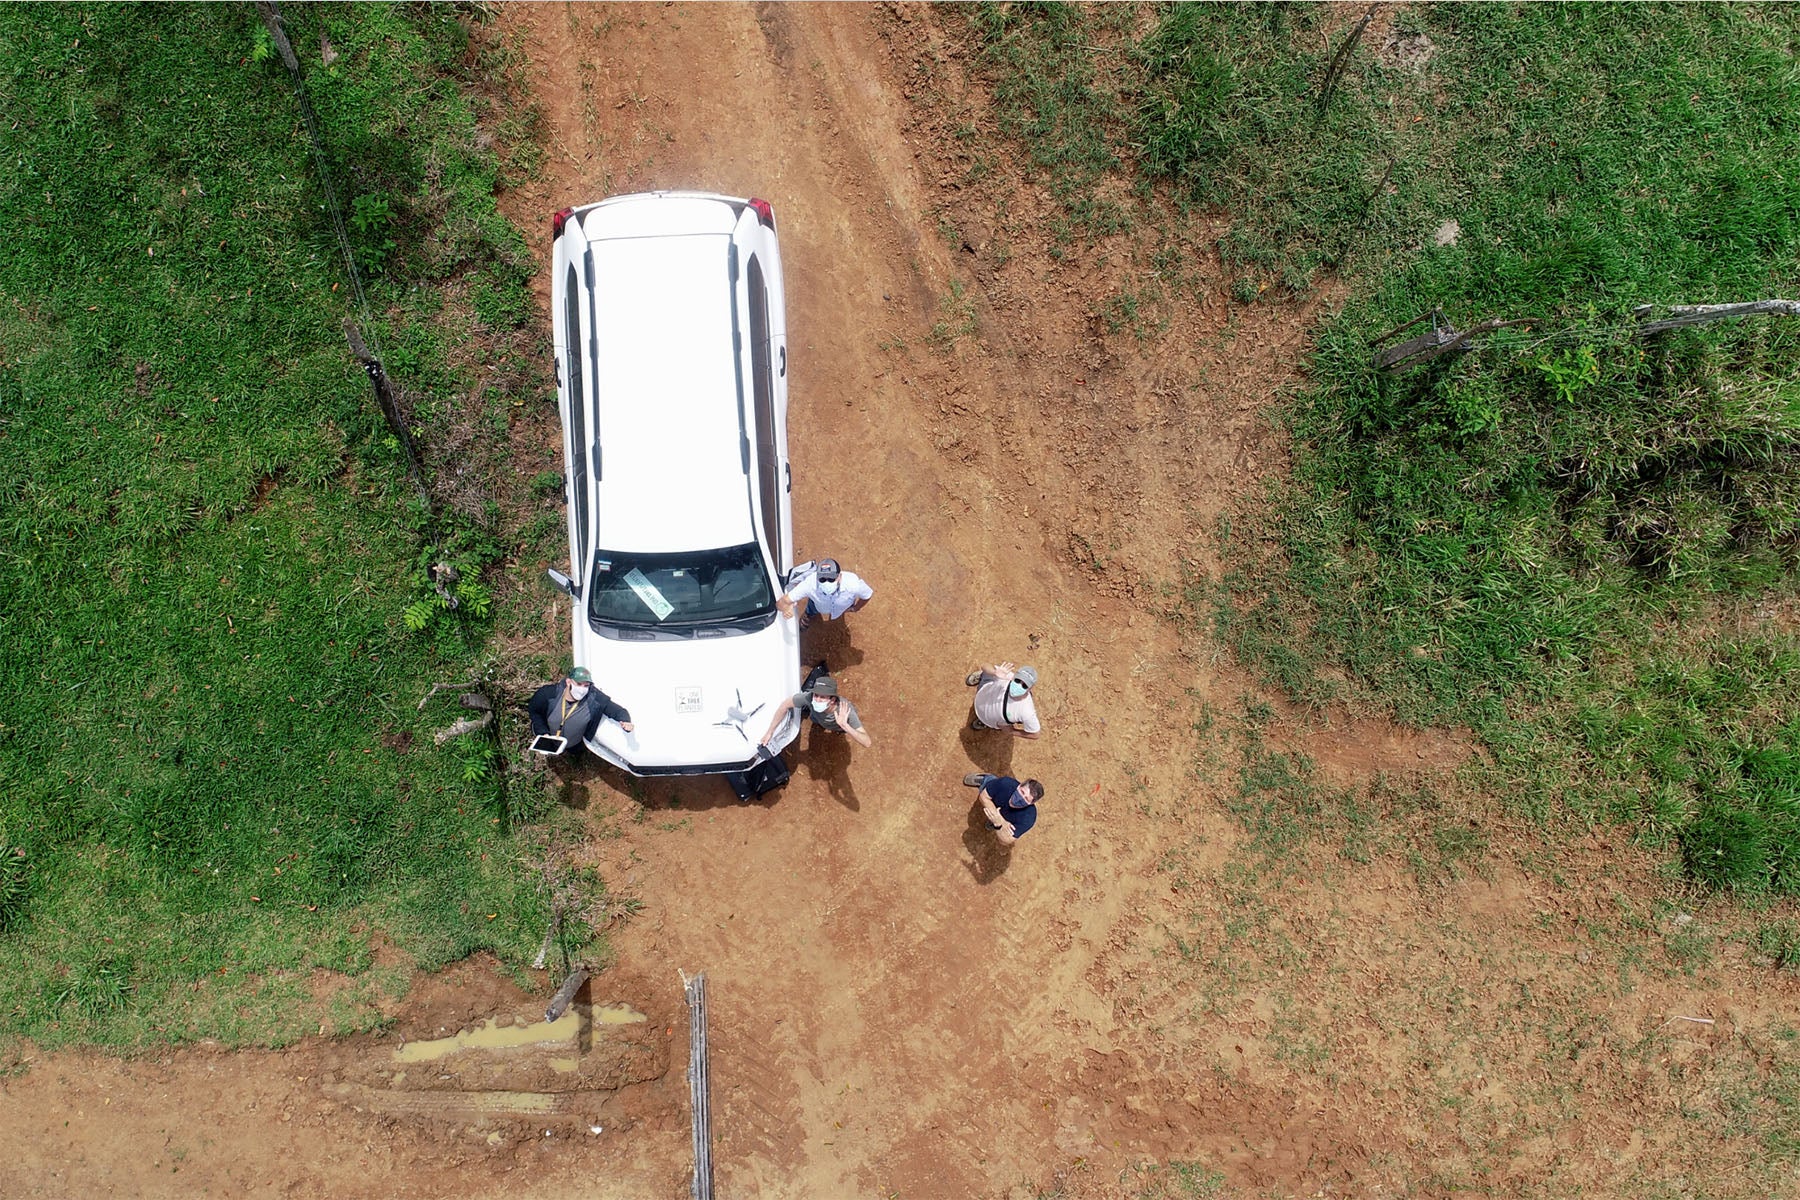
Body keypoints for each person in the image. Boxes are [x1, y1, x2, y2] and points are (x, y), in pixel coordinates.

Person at [759, 663, 872, 750]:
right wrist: (770, 732)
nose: (817, 699)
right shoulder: (809, 697)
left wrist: (845, 726)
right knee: (814, 718)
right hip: (817, 718)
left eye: (822, 697)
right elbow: (784, 705)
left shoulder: (846, 711)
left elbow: (867, 742)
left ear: (832, 700)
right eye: (816, 695)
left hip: (838, 725)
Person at [528, 666, 633, 756]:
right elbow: (534, 712)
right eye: (579, 684)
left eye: (586, 685)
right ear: (568, 682)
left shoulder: (594, 698)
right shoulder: (548, 694)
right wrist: (543, 733)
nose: (582, 689)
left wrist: (625, 720)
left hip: (575, 743)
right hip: (548, 738)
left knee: (576, 752)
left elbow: (616, 710)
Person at [776, 558, 872, 627]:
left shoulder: (853, 584)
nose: (827, 582)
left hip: (842, 608)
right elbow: (781, 602)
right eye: (822, 579)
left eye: (831, 579)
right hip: (818, 606)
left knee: (841, 609)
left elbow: (867, 595)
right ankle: (808, 616)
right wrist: (785, 608)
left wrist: (856, 608)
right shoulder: (810, 583)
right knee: (811, 609)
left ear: (839, 576)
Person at [965, 661, 1041, 738]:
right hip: (982, 691)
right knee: (988, 675)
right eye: (1017, 680)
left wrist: (1012, 732)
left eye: (1024, 685)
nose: (1019, 685)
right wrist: (994, 672)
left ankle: (983, 721)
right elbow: (985, 665)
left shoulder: (1026, 711)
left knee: (992, 720)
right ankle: (981, 676)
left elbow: (1035, 734)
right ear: (1014, 677)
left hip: (989, 720)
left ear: (1029, 689)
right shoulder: (1006, 675)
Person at [963, 773, 1044, 846]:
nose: (1020, 798)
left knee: (998, 827)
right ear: (1019, 786)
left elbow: (1005, 841)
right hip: (995, 800)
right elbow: (984, 797)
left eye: (1026, 799)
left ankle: (993, 824)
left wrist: (998, 824)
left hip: (1000, 819)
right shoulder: (1005, 784)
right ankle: (984, 780)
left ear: (1031, 803)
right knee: (990, 783)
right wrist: (1002, 822)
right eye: (1022, 792)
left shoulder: (1028, 818)